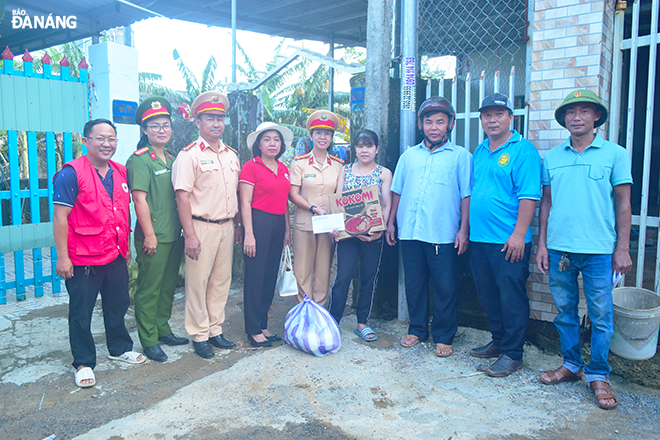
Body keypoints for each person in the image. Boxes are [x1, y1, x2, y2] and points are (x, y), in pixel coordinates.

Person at [536, 89, 632, 410]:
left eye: (583, 111)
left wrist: (623, 247)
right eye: (570, 112)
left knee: (601, 315)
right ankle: (572, 365)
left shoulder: (614, 154)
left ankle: (598, 374)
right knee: (565, 312)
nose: (576, 117)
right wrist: (542, 245)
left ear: (596, 117)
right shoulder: (552, 157)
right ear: (564, 119)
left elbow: (623, 203)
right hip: (561, 250)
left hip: (600, 251)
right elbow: (546, 204)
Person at [53, 119, 145, 388]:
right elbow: (60, 217)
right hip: (82, 258)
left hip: (114, 253)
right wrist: (62, 257)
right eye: (100, 138)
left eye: (112, 139)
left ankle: (119, 348)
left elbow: (120, 211)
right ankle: (83, 362)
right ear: (85, 141)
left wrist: (125, 248)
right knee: (81, 312)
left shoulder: (119, 171)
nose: (107, 144)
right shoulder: (71, 173)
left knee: (117, 305)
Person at [385, 97, 471, 357]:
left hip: (442, 232)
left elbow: (467, 195)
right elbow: (397, 191)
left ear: (450, 124)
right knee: (414, 283)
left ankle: (444, 335)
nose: (434, 127)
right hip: (410, 230)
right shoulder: (409, 156)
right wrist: (391, 222)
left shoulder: (461, 157)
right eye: (429, 122)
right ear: (421, 125)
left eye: (440, 122)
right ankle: (417, 328)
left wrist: (464, 229)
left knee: (445, 286)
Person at [468, 93, 542, 376]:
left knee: (511, 297)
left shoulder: (524, 151)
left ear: (511, 117)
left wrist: (518, 234)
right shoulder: (481, 150)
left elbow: (529, 197)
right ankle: (499, 341)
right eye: (487, 115)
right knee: (488, 295)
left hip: (508, 241)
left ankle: (513, 353)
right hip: (480, 239)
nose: (492, 119)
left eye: (499, 114)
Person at [171, 92, 243, 359]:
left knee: (221, 281)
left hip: (226, 226)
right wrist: (189, 235)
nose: (216, 124)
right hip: (200, 227)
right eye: (210, 118)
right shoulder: (189, 156)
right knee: (198, 283)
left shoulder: (231, 155)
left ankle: (215, 329)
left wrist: (236, 225)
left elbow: (233, 193)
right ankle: (199, 334)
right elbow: (182, 196)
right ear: (198, 122)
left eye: (220, 118)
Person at [126, 97, 187, 363]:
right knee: (149, 288)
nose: (161, 130)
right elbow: (139, 199)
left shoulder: (173, 158)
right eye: (154, 126)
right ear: (144, 129)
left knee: (167, 286)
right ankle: (148, 339)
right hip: (154, 235)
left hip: (174, 233)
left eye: (165, 125)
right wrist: (149, 234)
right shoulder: (140, 160)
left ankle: (162, 329)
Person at [328, 130, 392, 341]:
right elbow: (338, 202)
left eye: (369, 146)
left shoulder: (383, 173)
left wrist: (378, 231)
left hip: (372, 235)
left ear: (377, 149)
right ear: (355, 148)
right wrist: (336, 227)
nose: (364, 150)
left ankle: (362, 322)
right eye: (360, 146)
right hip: (347, 236)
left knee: (368, 277)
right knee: (342, 276)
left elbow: (387, 205)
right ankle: (333, 321)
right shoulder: (345, 171)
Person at [240, 122, 293, 347]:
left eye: (276, 140)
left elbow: (285, 201)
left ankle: (263, 324)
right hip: (258, 222)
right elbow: (245, 201)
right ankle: (252, 329)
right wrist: (249, 234)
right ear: (258, 144)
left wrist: (287, 231)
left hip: (279, 223)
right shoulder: (251, 167)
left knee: (270, 276)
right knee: (255, 277)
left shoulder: (283, 168)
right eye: (267, 139)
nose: (272, 143)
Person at [289, 110, 345, 305]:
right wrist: (313, 208)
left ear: (332, 138)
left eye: (327, 133)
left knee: (323, 270)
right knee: (302, 271)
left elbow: (340, 197)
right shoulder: (300, 163)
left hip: (328, 226)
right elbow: (293, 194)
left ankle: (319, 311)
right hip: (305, 224)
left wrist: (339, 222)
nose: (323, 137)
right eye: (318, 133)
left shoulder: (339, 166)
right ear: (311, 136)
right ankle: (303, 310)